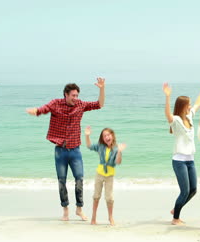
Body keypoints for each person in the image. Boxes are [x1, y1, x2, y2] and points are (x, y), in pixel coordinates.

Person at [26, 78, 106, 221]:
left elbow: (99, 104)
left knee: (79, 179)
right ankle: (65, 210)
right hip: (60, 151)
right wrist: (36, 111)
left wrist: (101, 89)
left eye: (77, 95)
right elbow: (44, 109)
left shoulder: (80, 105)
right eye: (73, 95)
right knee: (61, 181)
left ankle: (79, 209)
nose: (76, 98)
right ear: (66, 95)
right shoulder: (56, 103)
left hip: (75, 150)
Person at [163, 81, 200, 225]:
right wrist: (168, 97)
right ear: (182, 106)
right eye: (187, 105)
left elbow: (197, 103)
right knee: (184, 191)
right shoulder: (176, 120)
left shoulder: (189, 117)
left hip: (190, 160)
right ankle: (175, 218)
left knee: (193, 190)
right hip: (179, 161)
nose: (190, 106)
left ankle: (176, 207)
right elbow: (168, 114)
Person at [85, 126, 126, 226]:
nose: (107, 137)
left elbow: (118, 162)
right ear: (102, 139)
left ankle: (110, 217)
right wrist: (87, 136)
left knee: (109, 198)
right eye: (104, 136)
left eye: (108, 135)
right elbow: (89, 146)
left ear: (112, 136)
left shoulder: (116, 148)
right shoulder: (100, 146)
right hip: (99, 174)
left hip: (110, 176)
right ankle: (93, 218)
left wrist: (120, 152)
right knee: (96, 196)